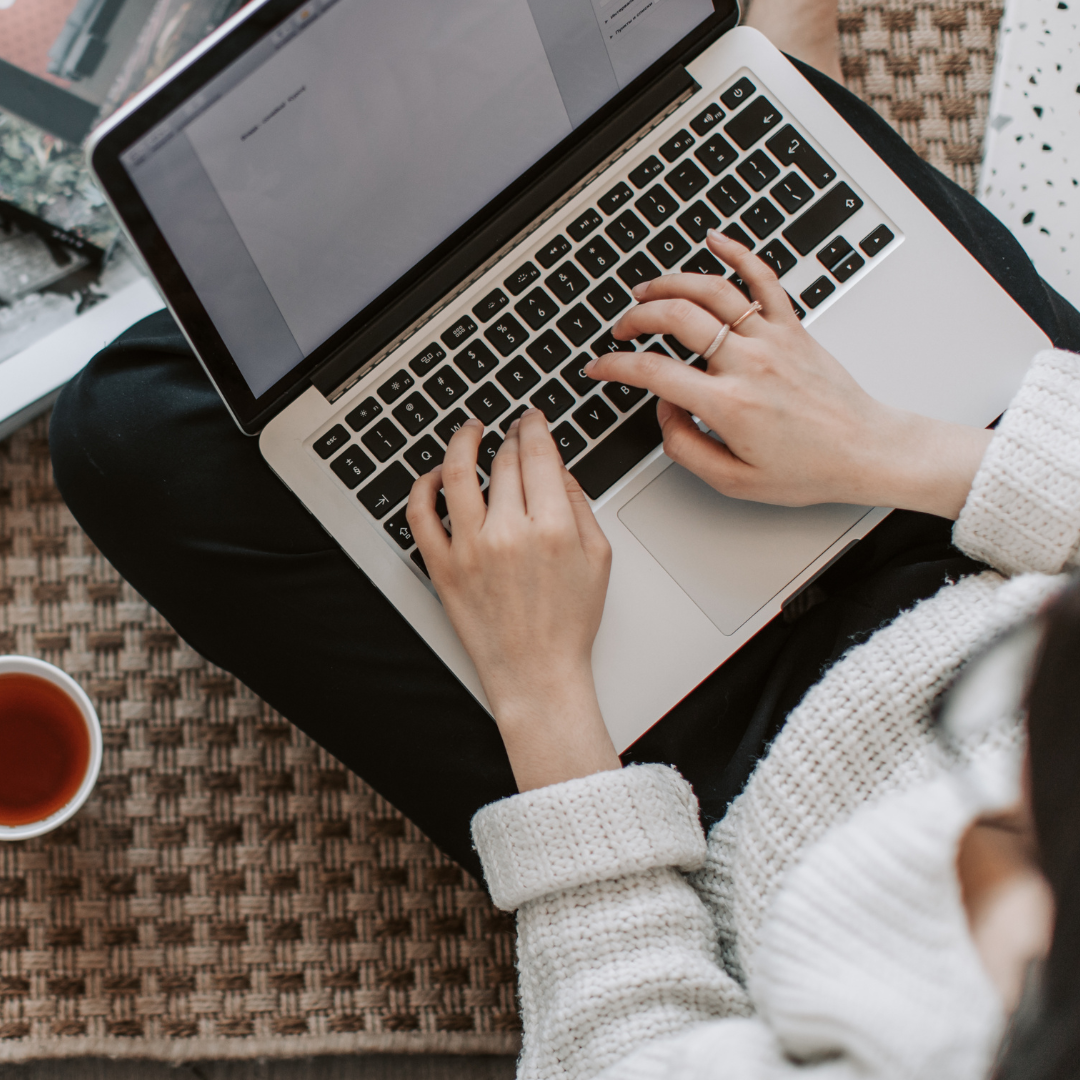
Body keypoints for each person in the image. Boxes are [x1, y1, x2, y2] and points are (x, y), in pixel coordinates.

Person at [48, 2, 1080, 1075]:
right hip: (992, 540)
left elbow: (622, 1046)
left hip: (694, 788)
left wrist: (542, 692)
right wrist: (887, 444)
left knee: (132, 429)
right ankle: (782, 92)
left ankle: (783, 96)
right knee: (769, 130)